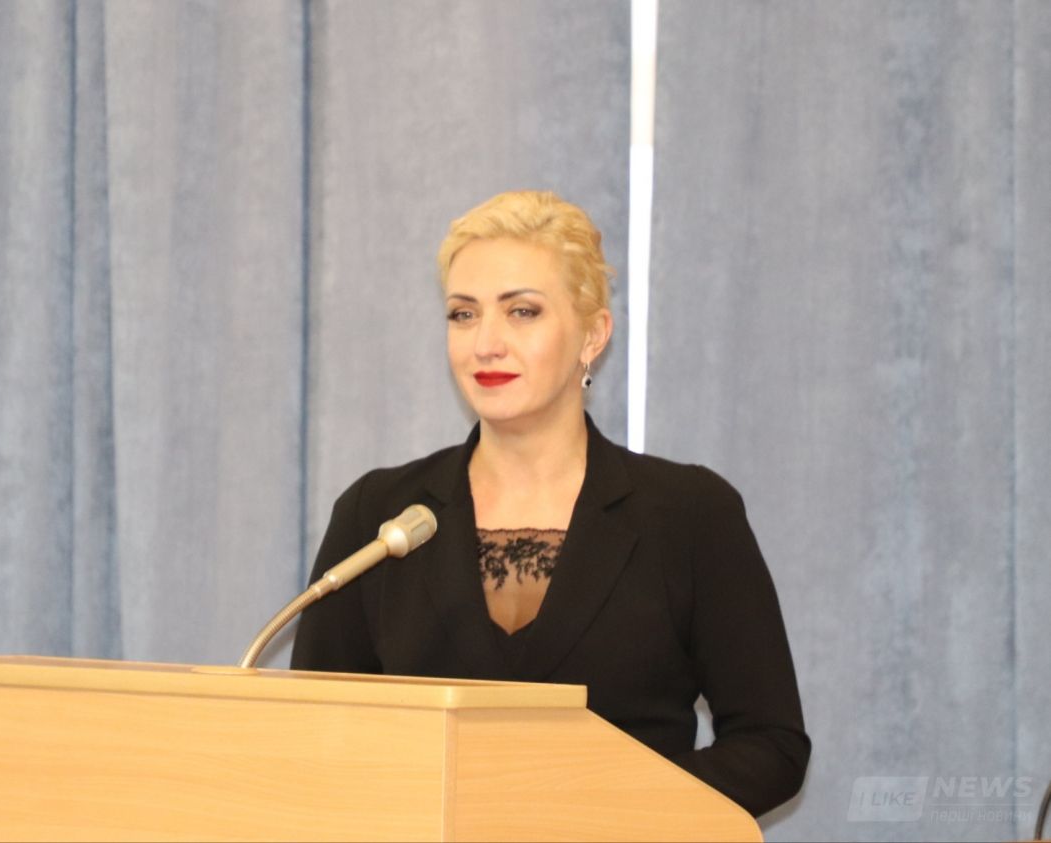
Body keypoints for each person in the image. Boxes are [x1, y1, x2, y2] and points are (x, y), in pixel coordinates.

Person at [291, 190, 810, 817]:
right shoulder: (378, 515)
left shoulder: (690, 514)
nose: (486, 343)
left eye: (523, 312)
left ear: (593, 334)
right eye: (463, 314)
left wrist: (601, 810)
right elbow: (313, 742)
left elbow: (771, 746)